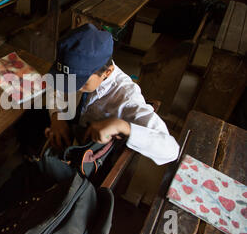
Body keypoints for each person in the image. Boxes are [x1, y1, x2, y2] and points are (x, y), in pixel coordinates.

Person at [46, 23, 180, 166]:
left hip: (91, 157)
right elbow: (55, 87)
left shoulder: (127, 98)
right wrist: (56, 115)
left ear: (107, 72)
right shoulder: (77, 71)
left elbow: (171, 150)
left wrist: (122, 126)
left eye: (82, 82)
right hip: (75, 128)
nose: (74, 88)